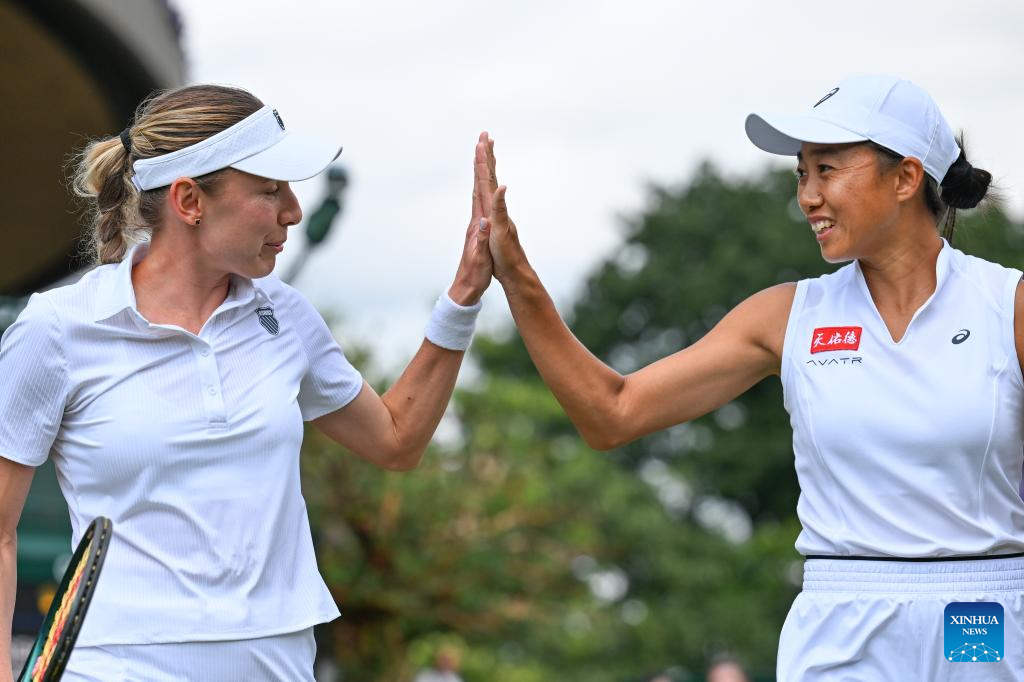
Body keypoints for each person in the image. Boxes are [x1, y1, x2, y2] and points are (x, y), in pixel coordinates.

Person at [481, 75, 1024, 680]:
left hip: (981, 617)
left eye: (827, 170)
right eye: (801, 174)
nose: (808, 196)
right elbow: (612, 412)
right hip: (841, 625)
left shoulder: (1008, 307)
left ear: (905, 178)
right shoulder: (788, 315)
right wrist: (517, 275)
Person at [0, 84, 493, 680]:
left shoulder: (286, 315)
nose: (294, 210)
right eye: (269, 189)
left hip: (278, 661)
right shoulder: (55, 329)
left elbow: (396, 440)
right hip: (116, 665)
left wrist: (464, 295)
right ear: (189, 200)